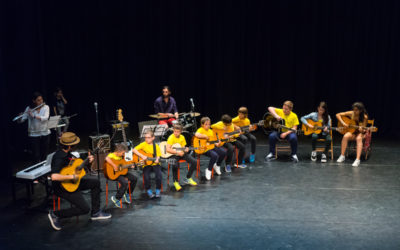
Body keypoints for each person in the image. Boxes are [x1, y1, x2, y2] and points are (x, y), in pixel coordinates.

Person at [48, 132, 111, 231]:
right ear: (69, 146)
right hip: (62, 187)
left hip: (73, 182)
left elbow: (78, 169)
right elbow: (54, 176)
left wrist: (89, 162)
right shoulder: (58, 157)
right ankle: (55, 214)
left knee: (95, 183)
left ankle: (95, 213)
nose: (76, 145)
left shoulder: (68, 154)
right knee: (84, 209)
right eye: (75, 143)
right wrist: (72, 176)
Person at [18, 92, 50, 163]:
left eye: (41, 99)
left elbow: (45, 118)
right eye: (38, 100)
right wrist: (20, 117)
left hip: (45, 133)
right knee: (36, 155)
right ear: (34, 101)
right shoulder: (29, 108)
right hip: (34, 134)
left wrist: (34, 116)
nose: (41, 101)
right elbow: (22, 120)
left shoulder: (46, 107)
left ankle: (45, 169)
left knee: (45, 154)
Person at [166, 124, 198, 191]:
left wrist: (185, 150)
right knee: (175, 165)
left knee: (194, 162)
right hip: (173, 154)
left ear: (180, 132)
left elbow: (183, 147)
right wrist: (177, 153)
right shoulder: (171, 137)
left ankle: (188, 178)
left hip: (181, 153)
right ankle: (176, 182)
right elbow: (168, 149)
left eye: (177, 132)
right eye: (174, 131)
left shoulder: (182, 137)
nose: (176, 133)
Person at [105, 143, 138, 208]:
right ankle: (116, 198)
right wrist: (114, 165)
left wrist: (130, 166)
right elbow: (107, 158)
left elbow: (124, 164)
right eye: (122, 153)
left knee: (134, 178)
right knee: (124, 182)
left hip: (121, 172)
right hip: (113, 173)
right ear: (118, 152)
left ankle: (128, 193)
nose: (123, 154)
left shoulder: (122, 156)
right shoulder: (112, 155)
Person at [336, 102, 368, 167]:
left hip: (360, 133)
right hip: (352, 131)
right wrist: (343, 123)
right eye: (354, 109)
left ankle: (357, 159)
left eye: (356, 110)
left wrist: (361, 129)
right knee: (345, 136)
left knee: (358, 138)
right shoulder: (351, 113)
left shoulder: (364, 117)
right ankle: (342, 156)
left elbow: (363, 129)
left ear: (361, 110)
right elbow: (337, 115)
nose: (354, 111)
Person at [133, 130, 162, 198]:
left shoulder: (156, 146)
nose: (146, 139)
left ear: (153, 138)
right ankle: (148, 190)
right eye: (145, 137)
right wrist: (142, 155)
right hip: (146, 164)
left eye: (148, 137)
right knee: (146, 176)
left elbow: (158, 155)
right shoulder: (143, 144)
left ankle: (158, 189)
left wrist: (157, 159)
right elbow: (134, 149)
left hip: (155, 163)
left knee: (159, 175)